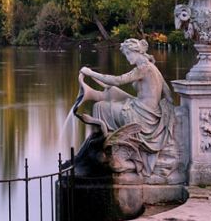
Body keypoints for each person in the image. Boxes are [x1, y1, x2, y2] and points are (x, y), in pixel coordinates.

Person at [75, 38, 176, 177]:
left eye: (128, 54)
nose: (127, 57)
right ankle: (105, 147)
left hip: (143, 116)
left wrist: (91, 73)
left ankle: (104, 149)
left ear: (136, 51)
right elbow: (168, 94)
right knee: (112, 94)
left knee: (100, 108)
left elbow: (118, 80)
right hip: (147, 111)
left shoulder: (143, 68)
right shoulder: (152, 67)